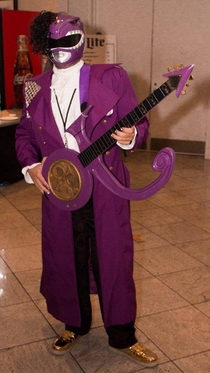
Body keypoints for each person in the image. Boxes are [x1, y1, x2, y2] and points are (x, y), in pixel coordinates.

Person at [15, 11, 158, 368]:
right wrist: (31, 166)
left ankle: (122, 334)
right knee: (65, 255)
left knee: (113, 257)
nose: (61, 48)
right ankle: (73, 325)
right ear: (44, 45)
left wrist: (131, 136)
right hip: (60, 187)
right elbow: (24, 136)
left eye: (68, 41)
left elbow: (139, 124)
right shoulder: (35, 86)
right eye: (54, 43)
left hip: (106, 186)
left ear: (80, 40)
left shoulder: (111, 76)